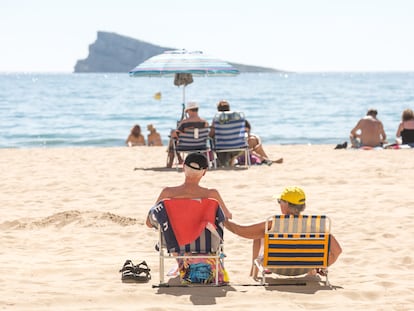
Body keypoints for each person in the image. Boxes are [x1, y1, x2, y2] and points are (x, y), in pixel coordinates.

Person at [224, 186, 342, 278]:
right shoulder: (315, 226)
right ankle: (312, 271)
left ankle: (253, 273)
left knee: (259, 235)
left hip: (276, 267)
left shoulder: (273, 223)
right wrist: (318, 266)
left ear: (286, 205)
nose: (279, 203)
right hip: (305, 268)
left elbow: (241, 231)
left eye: (279, 201)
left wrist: (222, 220)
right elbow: (337, 251)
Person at [147, 152, 232, 227]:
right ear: (205, 172)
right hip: (205, 243)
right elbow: (227, 217)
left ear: (183, 167)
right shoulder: (212, 195)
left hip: (172, 244)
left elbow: (149, 222)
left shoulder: (167, 193)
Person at [166, 102, 209, 168]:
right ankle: (179, 159)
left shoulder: (184, 123)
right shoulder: (205, 123)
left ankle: (171, 163)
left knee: (173, 140)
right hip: (201, 146)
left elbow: (175, 135)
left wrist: (172, 133)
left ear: (189, 111)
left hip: (185, 147)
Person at [209, 100, 245, 167]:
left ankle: (223, 161)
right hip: (238, 146)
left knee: (213, 138)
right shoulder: (238, 117)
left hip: (222, 147)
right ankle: (230, 161)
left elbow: (211, 134)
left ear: (218, 110)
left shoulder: (217, 118)